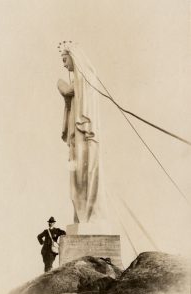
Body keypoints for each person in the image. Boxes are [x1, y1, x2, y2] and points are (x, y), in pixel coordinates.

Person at [57, 42, 107, 224]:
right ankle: (82, 216)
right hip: (76, 135)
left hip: (84, 135)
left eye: (65, 59)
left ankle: (88, 216)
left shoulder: (85, 78)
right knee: (78, 175)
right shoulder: (80, 80)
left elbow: (66, 90)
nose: (63, 64)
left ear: (73, 57)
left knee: (85, 174)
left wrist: (59, 83)